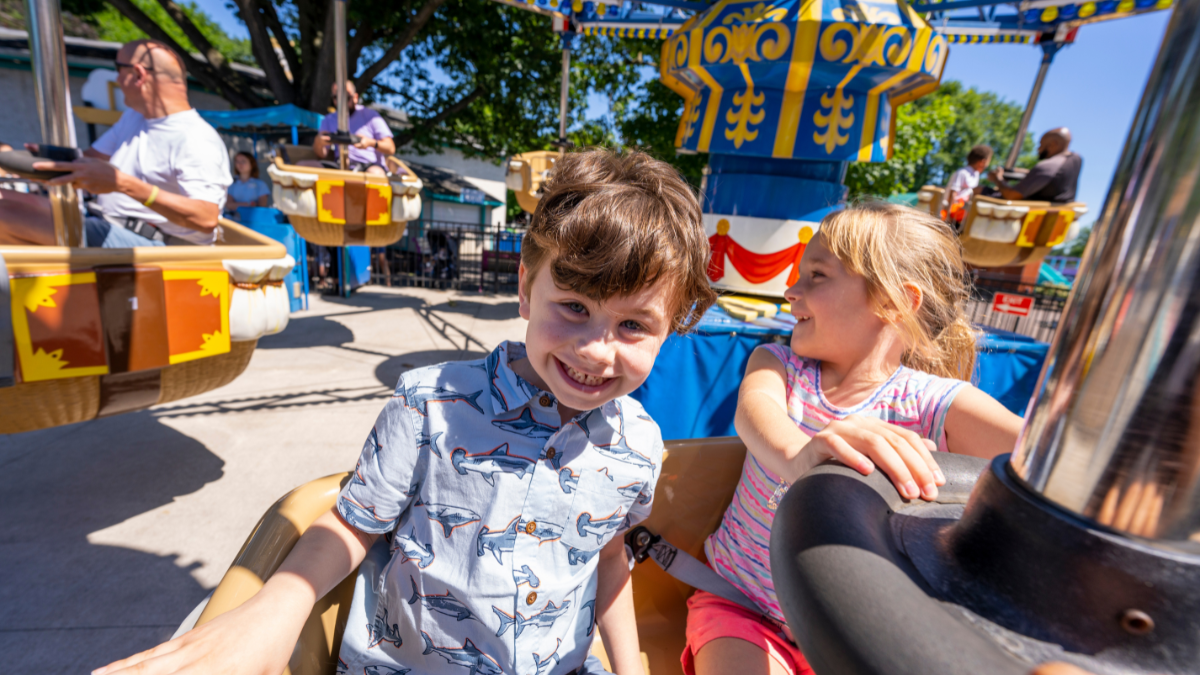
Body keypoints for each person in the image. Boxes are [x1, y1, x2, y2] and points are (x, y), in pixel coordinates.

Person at [92, 149, 719, 675]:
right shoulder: (431, 402)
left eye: (634, 324)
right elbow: (353, 524)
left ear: (672, 331)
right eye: (575, 307)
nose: (594, 349)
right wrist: (274, 608)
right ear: (527, 288)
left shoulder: (637, 445)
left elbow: (607, 555)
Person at [685, 202, 1024, 675]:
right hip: (744, 609)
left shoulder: (936, 403)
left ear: (894, 301)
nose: (790, 292)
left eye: (817, 276)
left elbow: (1046, 464)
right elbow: (753, 413)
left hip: (865, 632)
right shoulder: (778, 365)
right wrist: (803, 456)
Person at [0, 40, 231, 247]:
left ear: (138, 75)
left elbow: (205, 218)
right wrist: (45, 160)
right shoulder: (134, 117)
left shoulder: (196, 137)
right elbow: (89, 160)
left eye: (118, 69)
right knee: (4, 199)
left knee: (4, 216)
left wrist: (123, 184)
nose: (117, 79)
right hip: (106, 220)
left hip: (158, 247)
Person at [313, 81, 395, 176]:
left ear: (355, 97)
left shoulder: (371, 116)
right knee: (304, 166)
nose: (341, 102)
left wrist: (371, 143)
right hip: (340, 165)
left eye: (346, 98)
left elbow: (391, 148)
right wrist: (318, 142)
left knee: (374, 174)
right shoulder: (328, 119)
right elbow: (322, 154)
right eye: (336, 97)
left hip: (369, 165)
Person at [988, 128, 1082, 204]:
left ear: (1053, 144)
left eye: (1041, 145)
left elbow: (1011, 195)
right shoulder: (1076, 159)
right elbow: (1055, 175)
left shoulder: (1046, 167)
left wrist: (997, 178)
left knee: (980, 190)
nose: (1038, 149)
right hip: (1054, 212)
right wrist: (1028, 172)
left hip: (1025, 214)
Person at [941, 144, 992, 224]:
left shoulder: (976, 175)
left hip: (965, 211)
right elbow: (952, 193)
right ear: (982, 162)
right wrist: (948, 215)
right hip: (954, 211)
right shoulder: (962, 173)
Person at [225, 151, 271, 216]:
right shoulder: (231, 183)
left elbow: (262, 206)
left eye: (243, 161)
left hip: (254, 220)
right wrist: (249, 204)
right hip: (234, 219)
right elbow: (229, 205)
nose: (240, 164)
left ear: (252, 164)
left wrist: (237, 205)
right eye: (237, 161)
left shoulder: (261, 184)